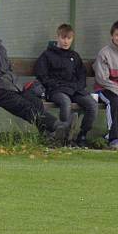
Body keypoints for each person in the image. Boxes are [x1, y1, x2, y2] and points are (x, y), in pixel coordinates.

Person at [0, 16, 73, 143]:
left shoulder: (0, 47)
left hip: (11, 86)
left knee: (35, 101)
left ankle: (47, 134)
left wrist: (15, 82)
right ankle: (57, 125)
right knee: (23, 105)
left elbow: (8, 68)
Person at [35, 23, 96, 147]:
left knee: (92, 104)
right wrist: (58, 85)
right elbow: (42, 76)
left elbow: (82, 75)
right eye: (63, 38)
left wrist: (78, 86)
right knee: (65, 101)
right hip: (56, 91)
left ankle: (82, 135)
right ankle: (62, 136)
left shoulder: (74, 56)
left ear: (72, 39)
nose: (66, 41)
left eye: (69, 38)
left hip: (74, 90)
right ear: (57, 37)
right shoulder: (47, 55)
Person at [94, 20, 118, 149]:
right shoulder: (104, 53)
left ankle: (110, 135)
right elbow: (102, 79)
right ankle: (114, 139)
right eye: (117, 35)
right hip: (104, 89)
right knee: (115, 101)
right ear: (112, 36)